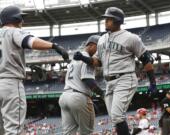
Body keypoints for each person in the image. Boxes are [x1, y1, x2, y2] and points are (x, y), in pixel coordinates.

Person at [73, 7, 156, 135]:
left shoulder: (131, 38)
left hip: (125, 79)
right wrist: (84, 58)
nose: (105, 21)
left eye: (108, 19)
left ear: (117, 20)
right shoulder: (101, 39)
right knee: (115, 119)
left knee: (117, 116)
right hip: (109, 83)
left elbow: (146, 59)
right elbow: (98, 62)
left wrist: (153, 82)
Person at [0, 6, 69, 135]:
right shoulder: (13, 31)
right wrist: (54, 45)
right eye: (21, 17)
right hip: (10, 84)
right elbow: (30, 41)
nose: (23, 21)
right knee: (13, 130)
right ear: (15, 18)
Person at [59, 35, 104, 135]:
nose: (99, 51)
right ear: (92, 45)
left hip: (64, 97)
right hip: (79, 97)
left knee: (68, 133)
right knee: (87, 133)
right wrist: (103, 94)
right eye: (99, 47)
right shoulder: (87, 58)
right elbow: (88, 80)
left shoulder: (74, 60)